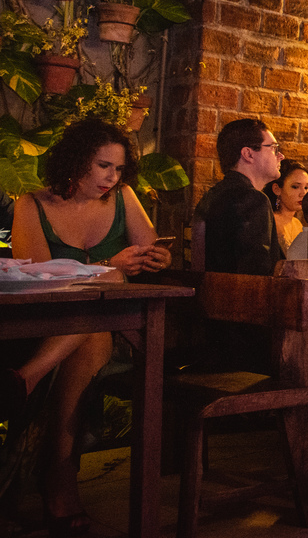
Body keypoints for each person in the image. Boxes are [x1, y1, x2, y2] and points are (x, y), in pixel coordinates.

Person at [5, 119, 170, 536]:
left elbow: (150, 248)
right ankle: (61, 483)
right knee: (93, 329)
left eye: (118, 169)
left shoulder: (123, 199)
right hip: (50, 325)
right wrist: (105, 269)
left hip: (122, 328)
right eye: (103, 166)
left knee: (98, 327)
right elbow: (36, 281)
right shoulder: (31, 205)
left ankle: (25, 380)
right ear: (77, 160)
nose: (112, 178)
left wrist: (156, 259)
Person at [193, 118, 284, 276]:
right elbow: (257, 276)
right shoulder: (253, 200)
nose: (281, 156)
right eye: (274, 148)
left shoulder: (211, 196)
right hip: (240, 297)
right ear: (248, 154)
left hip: (210, 295)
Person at [264, 159, 308, 254]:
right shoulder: (269, 221)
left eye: (306, 187)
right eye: (295, 187)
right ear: (277, 189)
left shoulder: (297, 224)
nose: (303, 193)